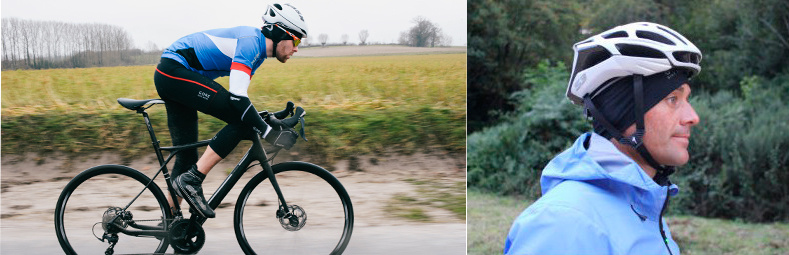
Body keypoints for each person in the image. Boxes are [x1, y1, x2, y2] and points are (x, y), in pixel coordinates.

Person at [504, 22, 702, 255]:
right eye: (672, 99)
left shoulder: (641, 208)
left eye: (687, 100)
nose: (693, 117)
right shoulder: (566, 223)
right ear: (624, 112)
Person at [153, 3, 308, 218]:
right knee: (240, 120)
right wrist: (269, 133)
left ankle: (170, 224)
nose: (297, 48)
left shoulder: (258, 51)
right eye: (297, 40)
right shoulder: (251, 43)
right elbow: (238, 101)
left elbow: (241, 100)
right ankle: (192, 179)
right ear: (281, 31)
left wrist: (271, 120)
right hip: (174, 72)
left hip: (172, 76)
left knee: (187, 156)